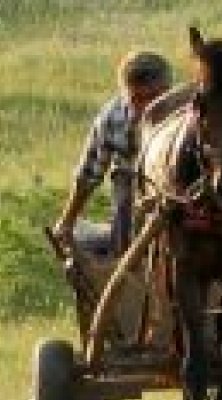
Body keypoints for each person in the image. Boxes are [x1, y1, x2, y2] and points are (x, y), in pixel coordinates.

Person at [52, 50, 172, 255]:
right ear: (126, 94)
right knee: (125, 182)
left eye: (153, 98)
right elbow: (89, 173)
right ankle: (122, 254)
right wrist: (67, 221)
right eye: (137, 99)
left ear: (167, 91)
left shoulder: (185, 116)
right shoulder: (112, 117)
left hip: (173, 193)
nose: (146, 108)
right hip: (131, 195)